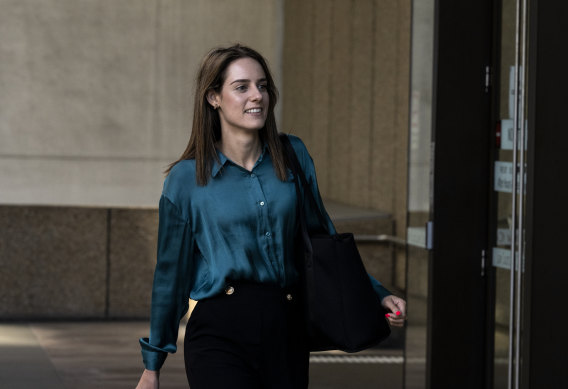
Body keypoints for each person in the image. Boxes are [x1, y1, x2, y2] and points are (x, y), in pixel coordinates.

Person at [136, 44, 406, 389]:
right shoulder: (186, 179)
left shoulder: (293, 155)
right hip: (219, 331)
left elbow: (323, 239)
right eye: (242, 86)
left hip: (286, 327)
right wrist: (152, 364)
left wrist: (377, 293)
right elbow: (169, 276)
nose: (257, 96)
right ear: (213, 97)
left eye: (262, 86)